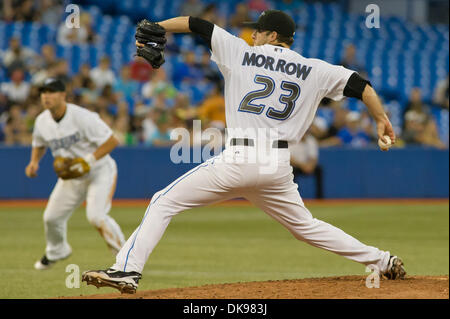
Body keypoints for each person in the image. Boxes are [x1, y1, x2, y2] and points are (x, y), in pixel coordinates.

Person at [82, 10, 405, 293]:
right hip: (277, 165)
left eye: (259, 30)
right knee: (306, 227)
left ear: (272, 35)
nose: (253, 34)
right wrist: (381, 120)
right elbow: (362, 85)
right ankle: (382, 260)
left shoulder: (240, 51)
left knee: (163, 202)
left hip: (239, 159)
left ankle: (127, 270)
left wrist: (159, 26)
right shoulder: (314, 69)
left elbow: (197, 24)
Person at [25, 78, 126, 270]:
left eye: (51, 91)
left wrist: (87, 161)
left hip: (99, 171)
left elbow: (112, 141)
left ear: (63, 95)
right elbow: (38, 143)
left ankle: (127, 258)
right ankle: (57, 251)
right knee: (51, 218)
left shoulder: (82, 116)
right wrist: (34, 162)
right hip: (71, 177)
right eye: (43, 92)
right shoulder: (42, 121)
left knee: (96, 217)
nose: (46, 96)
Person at [290, 132, 323, 199]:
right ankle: (294, 197)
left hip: (308, 165)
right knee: (291, 172)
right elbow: (290, 158)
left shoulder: (311, 140)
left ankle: (319, 198)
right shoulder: (291, 140)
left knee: (319, 169)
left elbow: (313, 157)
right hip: (295, 166)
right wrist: (302, 165)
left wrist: (310, 166)